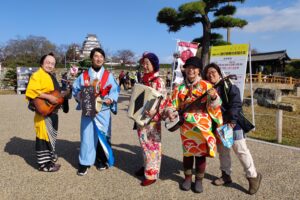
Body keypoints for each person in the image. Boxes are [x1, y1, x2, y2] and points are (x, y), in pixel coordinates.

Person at [166, 56, 223, 193]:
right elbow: (171, 104)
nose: (191, 70)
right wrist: (171, 112)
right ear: (185, 70)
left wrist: (214, 97)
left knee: (201, 153)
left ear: (198, 71)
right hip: (186, 125)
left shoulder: (206, 86)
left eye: (194, 68)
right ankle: (187, 178)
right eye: (188, 68)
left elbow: (216, 105)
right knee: (188, 153)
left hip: (202, 123)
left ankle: (198, 180)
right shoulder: (179, 88)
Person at [203, 63, 262, 195]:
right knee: (223, 152)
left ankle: (253, 176)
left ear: (219, 72)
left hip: (233, 124)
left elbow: (236, 104)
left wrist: (232, 121)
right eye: (208, 73)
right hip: (219, 125)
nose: (210, 74)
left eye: (213, 72)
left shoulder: (228, 85)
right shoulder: (208, 89)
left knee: (241, 150)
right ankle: (226, 175)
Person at [72, 48, 120, 176]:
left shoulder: (108, 76)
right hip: (88, 110)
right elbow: (75, 90)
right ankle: (84, 163)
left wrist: (111, 98)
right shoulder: (84, 76)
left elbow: (115, 90)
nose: (98, 59)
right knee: (87, 136)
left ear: (104, 59)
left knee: (102, 135)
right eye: (96, 56)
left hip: (103, 110)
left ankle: (101, 160)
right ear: (91, 58)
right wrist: (79, 95)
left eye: (101, 57)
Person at [25, 53, 64, 172]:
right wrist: (48, 97)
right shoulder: (37, 75)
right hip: (43, 111)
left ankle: (50, 159)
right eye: (48, 62)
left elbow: (57, 92)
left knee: (51, 135)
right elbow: (31, 91)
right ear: (42, 63)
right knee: (43, 136)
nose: (50, 65)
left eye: (52, 63)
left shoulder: (50, 76)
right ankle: (44, 165)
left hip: (53, 111)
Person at [134, 52, 167, 186]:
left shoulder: (158, 81)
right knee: (144, 144)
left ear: (154, 64)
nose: (145, 66)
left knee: (153, 145)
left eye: (147, 63)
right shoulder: (143, 79)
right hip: (141, 117)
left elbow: (164, 100)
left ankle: (152, 173)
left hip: (152, 120)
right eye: (143, 63)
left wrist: (156, 111)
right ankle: (146, 165)